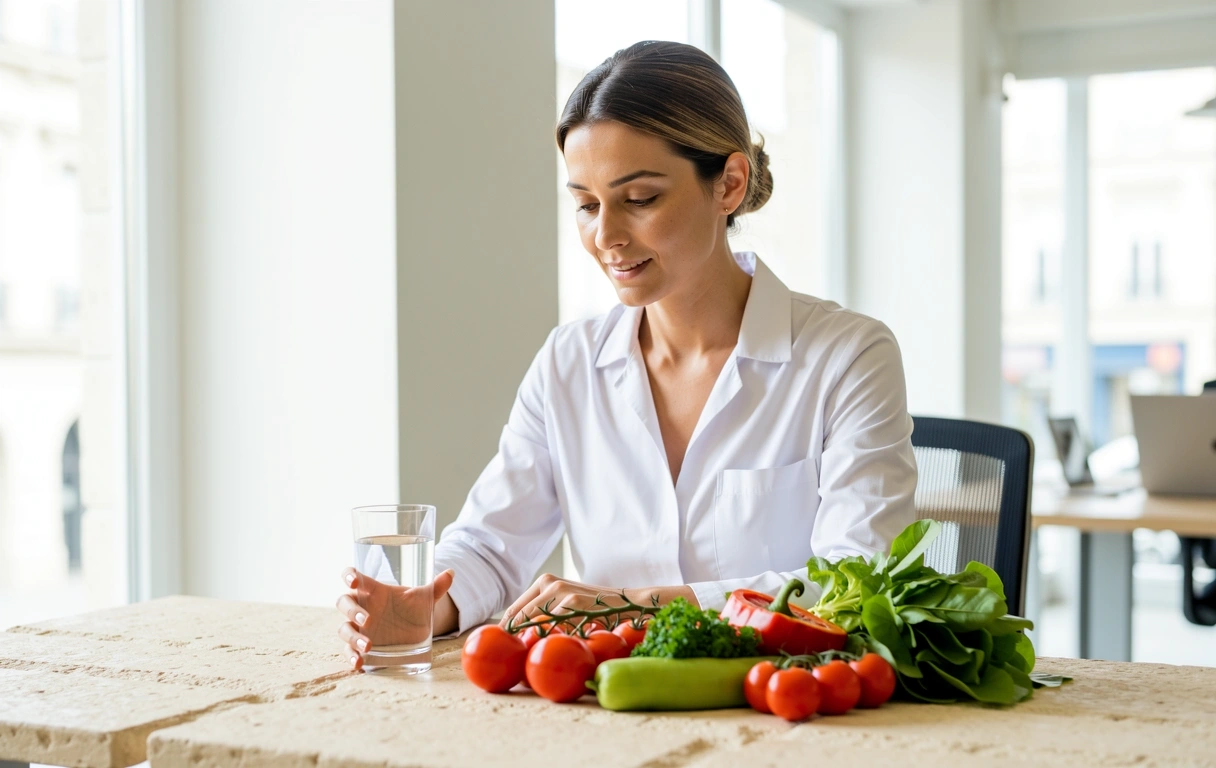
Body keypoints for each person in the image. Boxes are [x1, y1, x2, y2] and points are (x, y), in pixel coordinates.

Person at [336, 41, 917, 669]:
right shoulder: (569, 362)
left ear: (728, 183)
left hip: (786, 711)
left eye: (638, 199)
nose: (605, 236)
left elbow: (858, 584)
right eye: (586, 204)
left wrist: (634, 605)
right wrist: (425, 603)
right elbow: (490, 546)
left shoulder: (848, 356)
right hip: (608, 708)